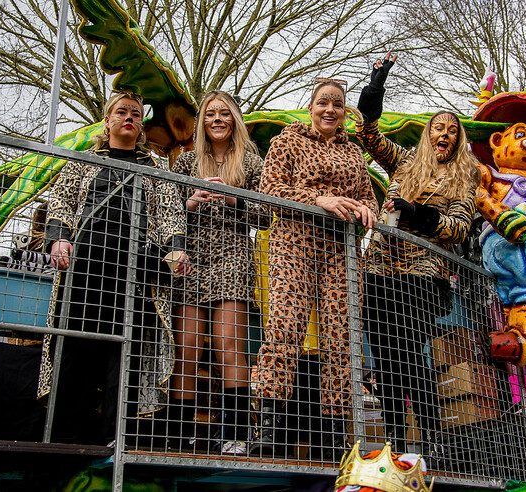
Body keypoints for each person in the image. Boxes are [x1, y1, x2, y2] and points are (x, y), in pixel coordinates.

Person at [38, 91, 191, 444]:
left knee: (125, 359)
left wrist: (176, 249)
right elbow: (61, 201)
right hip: (83, 274)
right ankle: (59, 439)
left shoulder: (156, 168)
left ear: (140, 125)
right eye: (122, 112)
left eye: (136, 114)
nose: (129, 118)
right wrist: (59, 238)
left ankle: (115, 439)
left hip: (135, 278)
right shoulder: (82, 161)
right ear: (108, 120)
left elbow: (169, 213)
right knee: (71, 354)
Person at [355, 54, 479, 464]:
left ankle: (431, 436)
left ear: (458, 140)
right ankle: (393, 441)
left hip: (423, 272)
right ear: (428, 134)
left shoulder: (465, 175)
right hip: (379, 265)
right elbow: (367, 131)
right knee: (387, 358)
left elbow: (459, 229)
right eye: (438, 128)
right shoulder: (405, 161)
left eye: (452, 131)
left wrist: (417, 215)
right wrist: (377, 83)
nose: (444, 134)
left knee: (410, 352)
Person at [252, 78, 378, 461]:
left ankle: (333, 431)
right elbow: (270, 188)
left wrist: (366, 209)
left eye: (338, 104)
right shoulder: (288, 141)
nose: (330, 110)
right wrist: (318, 199)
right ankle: (269, 424)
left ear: (344, 113)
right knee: (285, 326)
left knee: (342, 338)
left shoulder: (354, 153)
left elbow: (367, 195)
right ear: (310, 107)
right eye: (323, 102)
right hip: (295, 241)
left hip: (340, 250)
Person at [169, 90, 264, 455]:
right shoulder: (184, 163)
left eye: (225, 114)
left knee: (229, 347)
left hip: (232, 255)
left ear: (235, 120)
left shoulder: (252, 163)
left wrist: (232, 198)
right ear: (201, 122)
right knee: (187, 348)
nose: (218, 120)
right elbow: (167, 214)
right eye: (211, 114)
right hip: (190, 258)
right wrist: (188, 202)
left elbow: (267, 216)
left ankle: (236, 434)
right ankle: (178, 433)